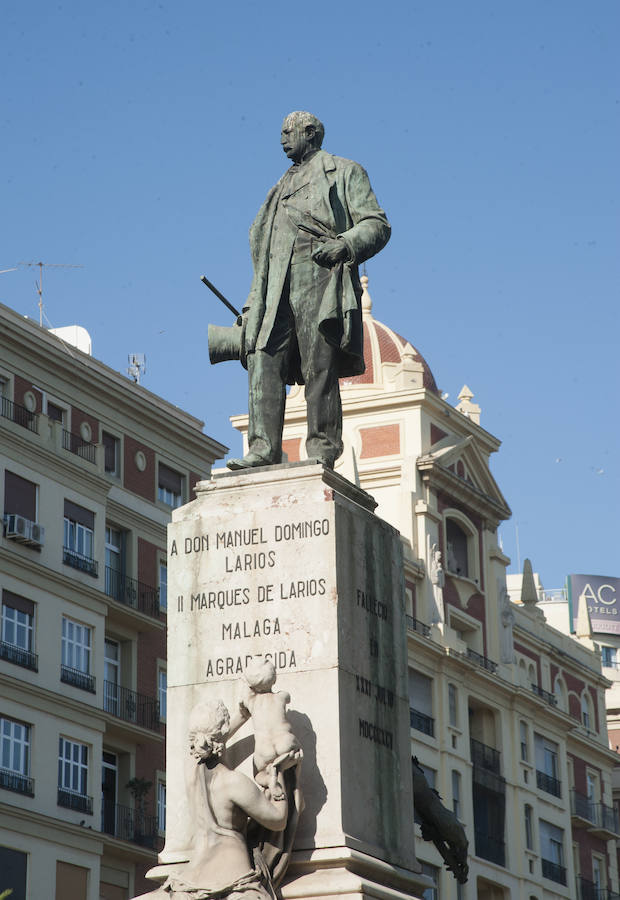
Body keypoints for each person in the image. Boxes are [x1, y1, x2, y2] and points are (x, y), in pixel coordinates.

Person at [227, 111, 390, 471]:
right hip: (275, 285)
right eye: (281, 133)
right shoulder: (278, 188)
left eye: (288, 132)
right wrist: (251, 303)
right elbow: (265, 253)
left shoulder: (345, 171)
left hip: (320, 278)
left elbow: (376, 224)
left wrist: (345, 244)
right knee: (263, 356)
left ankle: (322, 449)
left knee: (320, 366)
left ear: (310, 132)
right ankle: (263, 449)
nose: (282, 139)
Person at [140, 699, 289, 900]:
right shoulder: (234, 783)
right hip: (234, 880)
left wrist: (241, 716)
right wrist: (278, 776)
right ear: (222, 735)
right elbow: (278, 820)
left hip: (191, 881)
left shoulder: (189, 770)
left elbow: (208, 743)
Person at [236, 660, 302, 796]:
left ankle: (270, 779)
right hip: (285, 740)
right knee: (297, 755)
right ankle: (287, 763)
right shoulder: (281, 696)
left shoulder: (251, 702)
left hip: (263, 748)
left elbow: (243, 699)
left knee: (258, 775)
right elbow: (288, 697)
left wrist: (249, 683)